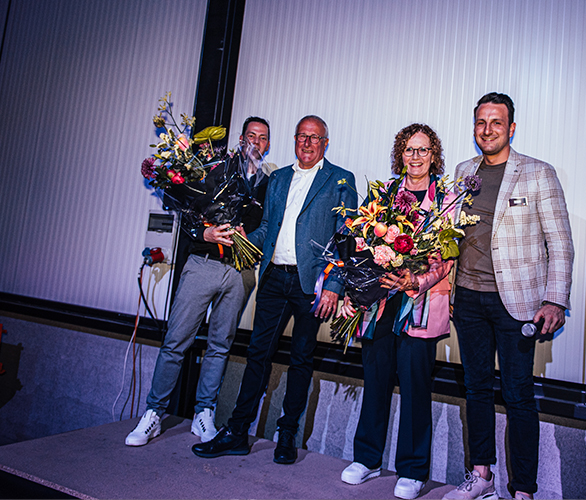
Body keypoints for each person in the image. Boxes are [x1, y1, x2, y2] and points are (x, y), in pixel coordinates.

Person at [191, 115, 357, 464]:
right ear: (295, 140)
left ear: (325, 143)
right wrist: (239, 240)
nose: (307, 143)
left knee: (301, 359)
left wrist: (335, 285)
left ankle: (287, 435)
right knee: (257, 355)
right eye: (302, 136)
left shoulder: (341, 179)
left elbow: (345, 236)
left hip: (310, 284)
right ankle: (238, 431)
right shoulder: (279, 178)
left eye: (315, 138)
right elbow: (266, 227)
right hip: (272, 279)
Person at [442, 93, 574, 500]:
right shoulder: (464, 171)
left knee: (518, 396)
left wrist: (554, 300)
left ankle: (524, 490)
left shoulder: (537, 173)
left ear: (511, 128)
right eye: (481, 122)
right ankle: (481, 476)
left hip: (517, 305)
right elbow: (447, 235)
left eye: (496, 122)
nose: (487, 130)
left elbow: (561, 242)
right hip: (467, 297)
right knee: (476, 388)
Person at [125, 117, 273, 446]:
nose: (256, 144)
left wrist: (254, 238)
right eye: (252, 136)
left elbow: (267, 224)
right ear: (240, 139)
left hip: (240, 271)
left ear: (268, 145)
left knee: (220, 346)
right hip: (203, 263)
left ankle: (204, 413)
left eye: (263, 139)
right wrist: (203, 232)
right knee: (176, 341)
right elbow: (187, 208)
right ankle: (153, 413)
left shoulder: (268, 181)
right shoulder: (214, 167)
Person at [340, 124, 455, 500]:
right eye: (409, 150)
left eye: (423, 150)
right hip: (380, 303)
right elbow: (362, 241)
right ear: (400, 155)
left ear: (433, 155)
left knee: (414, 386)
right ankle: (368, 458)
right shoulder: (386, 195)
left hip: (419, 303)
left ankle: (412, 469)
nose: (416, 157)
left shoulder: (447, 201)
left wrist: (411, 280)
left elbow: (447, 257)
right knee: (374, 381)